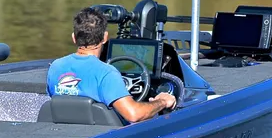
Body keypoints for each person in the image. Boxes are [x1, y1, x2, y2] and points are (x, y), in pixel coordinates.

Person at [47, 7, 176, 123]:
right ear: (105, 37)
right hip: (102, 137)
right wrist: (162, 101)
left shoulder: (56, 67)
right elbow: (133, 114)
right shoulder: (107, 73)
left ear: (74, 38)